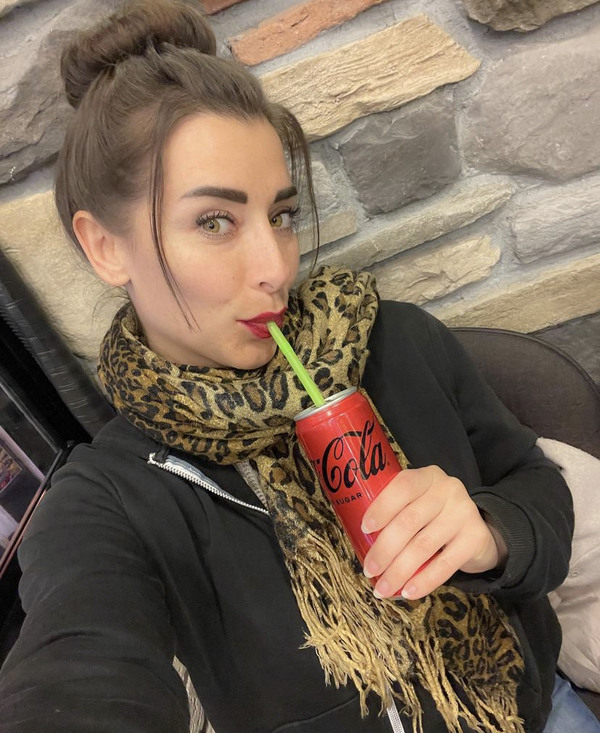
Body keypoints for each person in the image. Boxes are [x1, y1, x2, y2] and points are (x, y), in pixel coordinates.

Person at [0, 1, 596, 731]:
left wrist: (492, 531)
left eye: (280, 215)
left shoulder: (397, 341)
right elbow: (78, 666)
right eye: (214, 221)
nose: (275, 268)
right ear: (106, 247)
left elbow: (538, 484)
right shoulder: (107, 498)